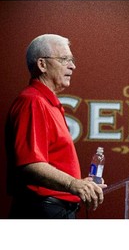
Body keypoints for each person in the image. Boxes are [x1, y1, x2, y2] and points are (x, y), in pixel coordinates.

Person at [5, 34, 107, 219]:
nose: (72, 66)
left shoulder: (47, 103)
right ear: (42, 65)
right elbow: (30, 164)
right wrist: (73, 185)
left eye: (72, 60)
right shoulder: (32, 102)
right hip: (41, 212)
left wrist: (78, 183)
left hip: (57, 210)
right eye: (64, 59)